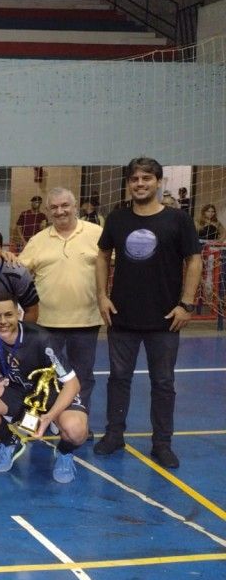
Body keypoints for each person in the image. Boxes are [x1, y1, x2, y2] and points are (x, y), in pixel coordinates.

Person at [94, 156, 202, 469]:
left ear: (158, 182)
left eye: (146, 178)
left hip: (166, 319)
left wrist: (187, 303)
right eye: (134, 179)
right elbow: (102, 256)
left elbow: (194, 260)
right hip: (122, 316)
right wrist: (102, 296)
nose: (140, 184)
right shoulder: (117, 218)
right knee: (119, 379)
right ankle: (114, 435)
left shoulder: (177, 220)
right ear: (128, 184)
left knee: (164, 383)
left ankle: (162, 443)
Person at [0, 289, 88, 483]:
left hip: (53, 394)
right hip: (18, 393)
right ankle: (10, 441)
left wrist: (49, 417)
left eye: (8, 314)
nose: (2, 321)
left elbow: (72, 384)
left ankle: (64, 452)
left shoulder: (41, 338)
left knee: (76, 431)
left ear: (19, 314)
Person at [17, 188, 102, 411]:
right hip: (45, 323)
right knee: (44, 374)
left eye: (65, 205)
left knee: (82, 375)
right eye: (54, 207)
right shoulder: (37, 240)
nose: (60, 211)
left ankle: (78, 420)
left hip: (86, 321)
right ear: (47, 211)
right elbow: (19, 274)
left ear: (75, 207)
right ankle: (39, 419)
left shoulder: (96, 233)